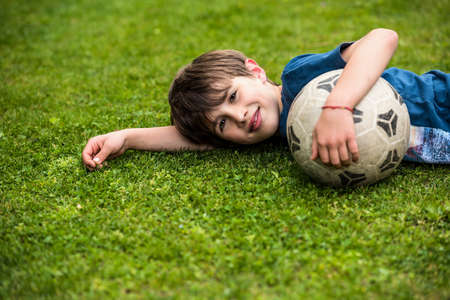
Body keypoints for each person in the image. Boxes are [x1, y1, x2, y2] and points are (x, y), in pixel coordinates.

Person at [82, 28, 449, 171]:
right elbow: (195, 138)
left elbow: (382, 39)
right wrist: (126, 138)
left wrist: (338, 106)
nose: (240, 116)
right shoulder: (283, 132)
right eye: (224, 123)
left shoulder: (297, 79)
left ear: (255, 71)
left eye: (233, 96)